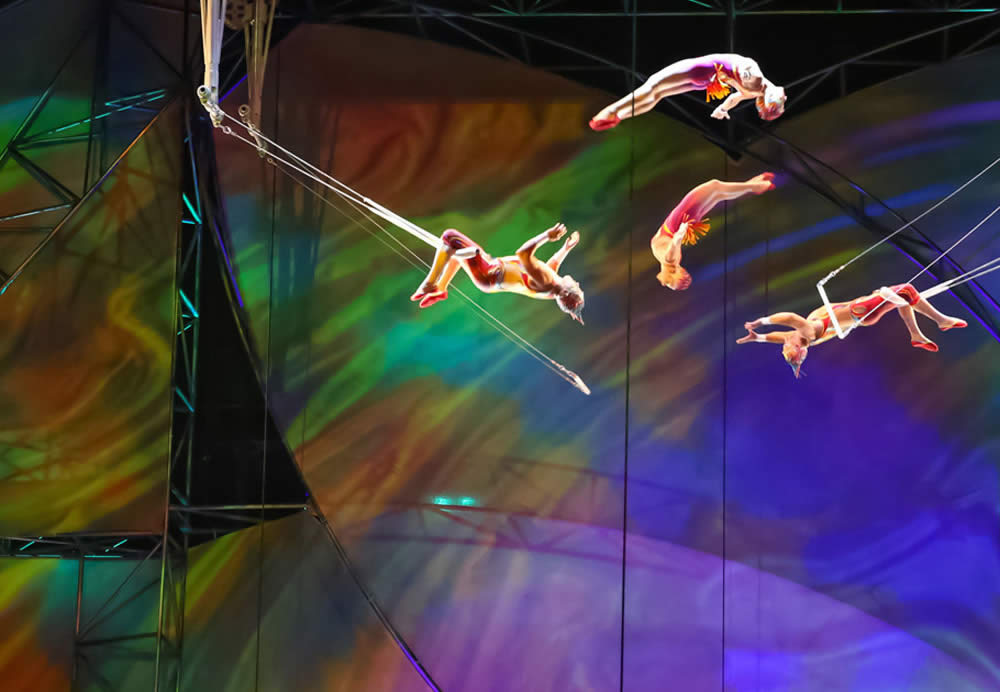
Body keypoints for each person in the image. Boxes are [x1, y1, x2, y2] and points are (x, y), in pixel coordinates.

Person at [736, 284, 968, 377]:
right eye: (788, 344)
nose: (785, 341)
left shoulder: (799, 340)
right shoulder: (807, 332)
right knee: (904, 292)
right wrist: (760, 322)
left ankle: (916, 334)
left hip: (861, 314)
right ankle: (941, 321)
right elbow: (789, 318)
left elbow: (780, 337)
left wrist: (759, 338)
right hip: (859, 311)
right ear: (797, 346)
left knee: (901, 296)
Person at [410, 223, 585, 323]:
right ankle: (441, 288)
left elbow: (523, 254)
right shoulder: (553, 288)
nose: (577, 283)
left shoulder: (548, 282)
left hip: (489, 273)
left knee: (450, 237)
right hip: (491, 272)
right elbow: (550, 268)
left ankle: (431, 282)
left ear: (566, 292)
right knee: (457, 253)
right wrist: (565, 248)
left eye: (577, 288)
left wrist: (547, 236)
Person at [589, 53, 786, 131]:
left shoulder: (756, 79)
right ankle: (620, 116)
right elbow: (735, 97)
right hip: (705, 82)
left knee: (653, 86)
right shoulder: (754, 93)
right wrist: (722, 109)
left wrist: (740, 76)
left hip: (700, 69)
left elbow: (747, 76)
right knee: (659, 95)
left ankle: (612, 111)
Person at [653, 174, 775, 290]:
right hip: (679, 222)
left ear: (675, 274)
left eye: (684, 274)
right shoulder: (668, 262)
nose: (685, 271)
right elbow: (673, 244)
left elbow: (674, 245)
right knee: (716, 190)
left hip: (680, 222)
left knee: (716, 190)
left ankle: (753, 186)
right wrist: (679, 235)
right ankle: (753, 186)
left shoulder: (669, 260)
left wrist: (679, 234)